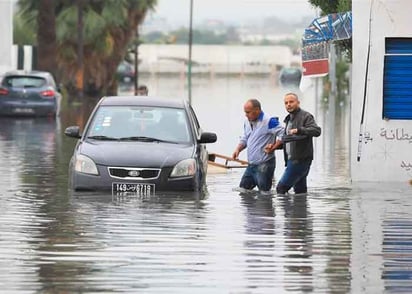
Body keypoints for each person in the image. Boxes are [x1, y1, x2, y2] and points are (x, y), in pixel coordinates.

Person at [265, 92, 321, 195]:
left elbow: (316, 131)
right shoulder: (288, 119)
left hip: (300, 160)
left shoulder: (306, 116)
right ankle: (299, 211)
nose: (288, 105)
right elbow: (290, 141)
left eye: (291, 102)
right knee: (300, 192)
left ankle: (287, 211)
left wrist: (299, 130)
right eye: (286, 103)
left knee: (281, 188)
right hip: (292, 160)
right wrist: (274, 147)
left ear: (298, 103)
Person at [232, 99, 284, 194]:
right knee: (243, 191)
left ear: (257, 110)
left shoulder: (269, 121)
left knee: (265, 194)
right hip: (251, 165)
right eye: (245, 112)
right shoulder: (247, 121)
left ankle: (267, 209)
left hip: (265, 164)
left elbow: (283, 134)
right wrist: (238, 149)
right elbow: (245, 138)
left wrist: (274, 146)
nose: (246, 115)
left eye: (248, 112)